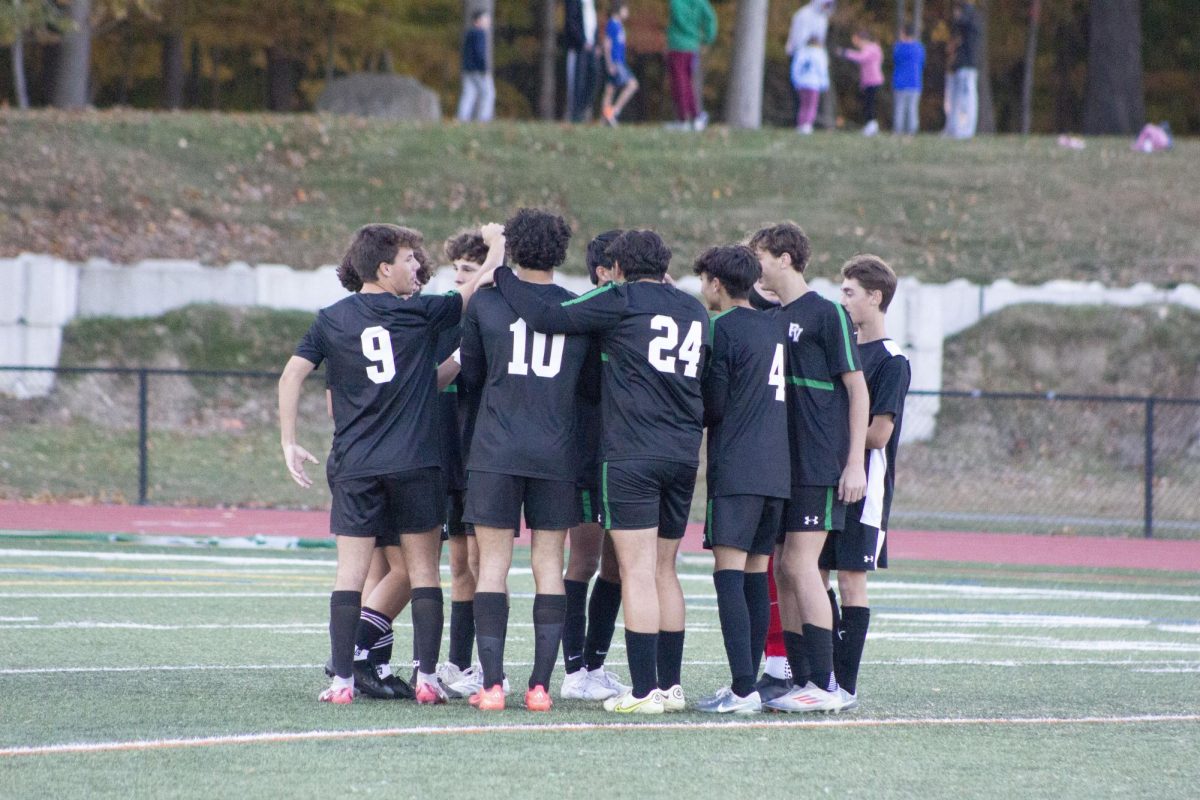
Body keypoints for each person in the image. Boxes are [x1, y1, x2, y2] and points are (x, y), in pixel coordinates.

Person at [279, 222, 502, 705]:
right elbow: (479, 282)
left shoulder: (332, 318)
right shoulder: (418, 314)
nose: (417, 266)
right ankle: (426, 678)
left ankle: (341, 681)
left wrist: (289, 442)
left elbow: (292, 375)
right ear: (383, 268)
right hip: (416, 463)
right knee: (424, 573)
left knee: (350, 577)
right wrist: (498, 242)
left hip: (357, 464)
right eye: (408, 260)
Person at [492, 229, 709, 714]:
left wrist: (501, 273)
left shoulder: (621, 298)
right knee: (663, 569)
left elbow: (546, 316)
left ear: (620, 268)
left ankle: (644, 690)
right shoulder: (694, 309)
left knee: (634, 571)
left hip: (632, 452)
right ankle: (671, 688)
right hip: (683, 452)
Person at [458, 209, 594, 713]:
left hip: (495, 449)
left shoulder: (489, 304)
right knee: (548, 567)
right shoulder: (578, 308)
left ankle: (492, 685)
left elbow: (469, 375)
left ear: (512, 250)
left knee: (491, 566)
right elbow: (588, 390)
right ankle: (540, 687)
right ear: (560, 253)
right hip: (556, 451)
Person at [749, 222, 868, 714]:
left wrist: (854, 461)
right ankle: (800, 677)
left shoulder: (825, 314)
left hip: (818, 462)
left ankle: (826, 683)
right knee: (783, 571)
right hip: (781, 462)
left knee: (802, 566)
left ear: (784, 258)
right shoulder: (773, 316)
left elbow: (858, 389)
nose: (755, 264)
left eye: (759, 255)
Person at [692, 245, 789, 714]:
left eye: (703, 279)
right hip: (776, 470)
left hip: (738, 468)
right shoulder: (773, 328)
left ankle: (742, 689)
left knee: (729, 577)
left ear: (715, 283)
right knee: (754, 576)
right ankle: (747, 685)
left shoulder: (722, 329)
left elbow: (714, 406)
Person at [820, 254, 911, 710]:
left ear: (875, 297)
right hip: (825, 482)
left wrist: (839, 440)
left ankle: (845, 684)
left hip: (864, 488)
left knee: (851, 580)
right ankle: (819, 672)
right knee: (811, 576)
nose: (843, 299)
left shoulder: (892, 361)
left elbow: (878, 433)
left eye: (850, 291)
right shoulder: (844, 349)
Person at [560, 230, 630, 702]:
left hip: (627, 454)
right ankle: (573, 670)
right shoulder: (586, 316)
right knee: (583, 560)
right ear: (604, 272)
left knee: (619, 566)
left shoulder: (635, 313)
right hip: (588, 454)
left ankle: (595, 663)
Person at [430, 230, 492, 699]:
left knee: (480, 560)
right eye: (456, 272)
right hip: (448, 454)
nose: (458, 281)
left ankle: (488, 667)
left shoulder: (501, 320)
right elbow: (436, 380)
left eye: (467, 271)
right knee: (456, 565)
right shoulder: (445, 321)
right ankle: (457, 662)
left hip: (484, 456)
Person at [666, 0, 717, 130]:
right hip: (692, 47)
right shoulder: (700, 2)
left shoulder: (676, 3)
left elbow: (678, 20)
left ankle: (683, 118)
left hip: (677, 46)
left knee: (679, 83)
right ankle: (694, 116)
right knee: (687, 82)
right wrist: (705, 39)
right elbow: (711, 18)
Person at [838, 30, 884, 136]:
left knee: (870, 104)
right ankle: (870, 124)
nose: (858, 44)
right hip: (869, 80)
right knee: (867, 104)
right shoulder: (873, 48)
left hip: (873, 80)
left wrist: (846, 53)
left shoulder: (871, 48)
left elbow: (860, 58)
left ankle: (871, 125)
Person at [601, 2, 639, 127]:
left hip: (619, 62)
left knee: (610, 89)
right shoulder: (612, 24)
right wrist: (609, 63)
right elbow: (607, 44)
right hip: (616, 62)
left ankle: (607, 115)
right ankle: (612, 112)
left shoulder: (619, 25)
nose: (627, 12)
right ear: (618, 10)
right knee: (630, 85)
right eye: (625, 10)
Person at [946, 1, 980, 139]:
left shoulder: (970, 23)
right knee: (959, 99)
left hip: (967, 67)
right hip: (962, 67)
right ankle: (955, 128)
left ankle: (965, 130)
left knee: (967, 100)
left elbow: (962, 23)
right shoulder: (967, 28)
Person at [456, 11, 496, 123]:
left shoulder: (470, 33)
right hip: (478, 70)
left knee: (468, 95)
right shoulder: (480, 33)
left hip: (467, 69)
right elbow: (479, 53)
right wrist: (484, 69)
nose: (488, 21)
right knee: (488, 94)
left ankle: (462, 118)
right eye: (486, 18)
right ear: (478, 20)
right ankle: (484, 119)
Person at [565, 0, 600, 122]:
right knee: (577, 82)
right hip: (579, 47)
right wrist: (582, 41)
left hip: (591, 47)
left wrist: (596, 43)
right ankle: (575, 115)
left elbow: (593, 23)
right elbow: (571, 21)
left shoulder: (591, 2)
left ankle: (584, 109)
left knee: (594, 76)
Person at [791, 36, 829, 134]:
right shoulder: (820, 53)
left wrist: (795, 81)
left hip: (802, 82)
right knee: (812, 105)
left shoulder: (801, 52)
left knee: (803, 105)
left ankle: (801, 124)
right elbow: (822, 69)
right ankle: (807, 124)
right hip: (814, 82)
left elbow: (795, 68)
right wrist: (824, 83)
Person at [892, 24, 925, 136]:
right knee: (912, 109)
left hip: (900, 82)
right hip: (915, 82)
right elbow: (922, 62)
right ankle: (912, 130)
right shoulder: (919, 48)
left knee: (900, 109)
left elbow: (895, 60)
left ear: (904, 33)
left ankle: (898, 130)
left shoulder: (899, 47)